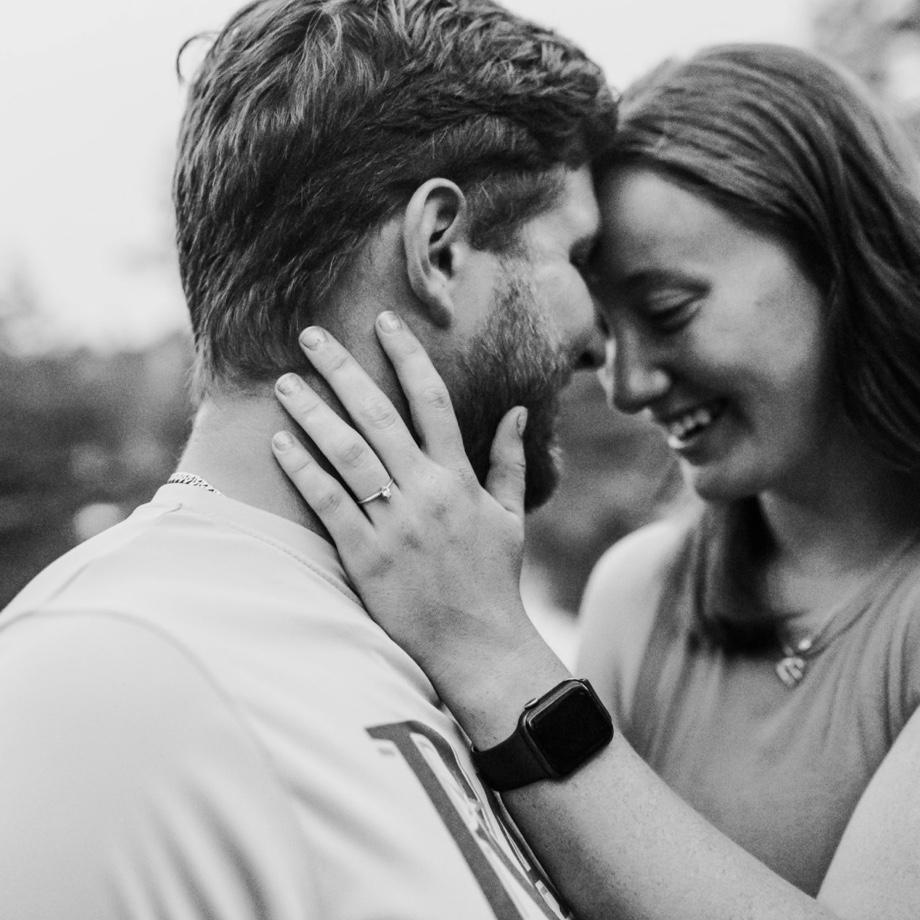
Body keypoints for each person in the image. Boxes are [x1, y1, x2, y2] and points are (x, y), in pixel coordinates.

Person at [269, 44, 920, 920]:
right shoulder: (641, 594)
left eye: (667, 312)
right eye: (609, 333)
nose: (627, 385)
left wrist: (494, 652)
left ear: (844, 260)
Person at [0, 2, 619, 917]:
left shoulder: (437, 633)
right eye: (578, 254)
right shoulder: (102, 683)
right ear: (439, 250)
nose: (604, 337)